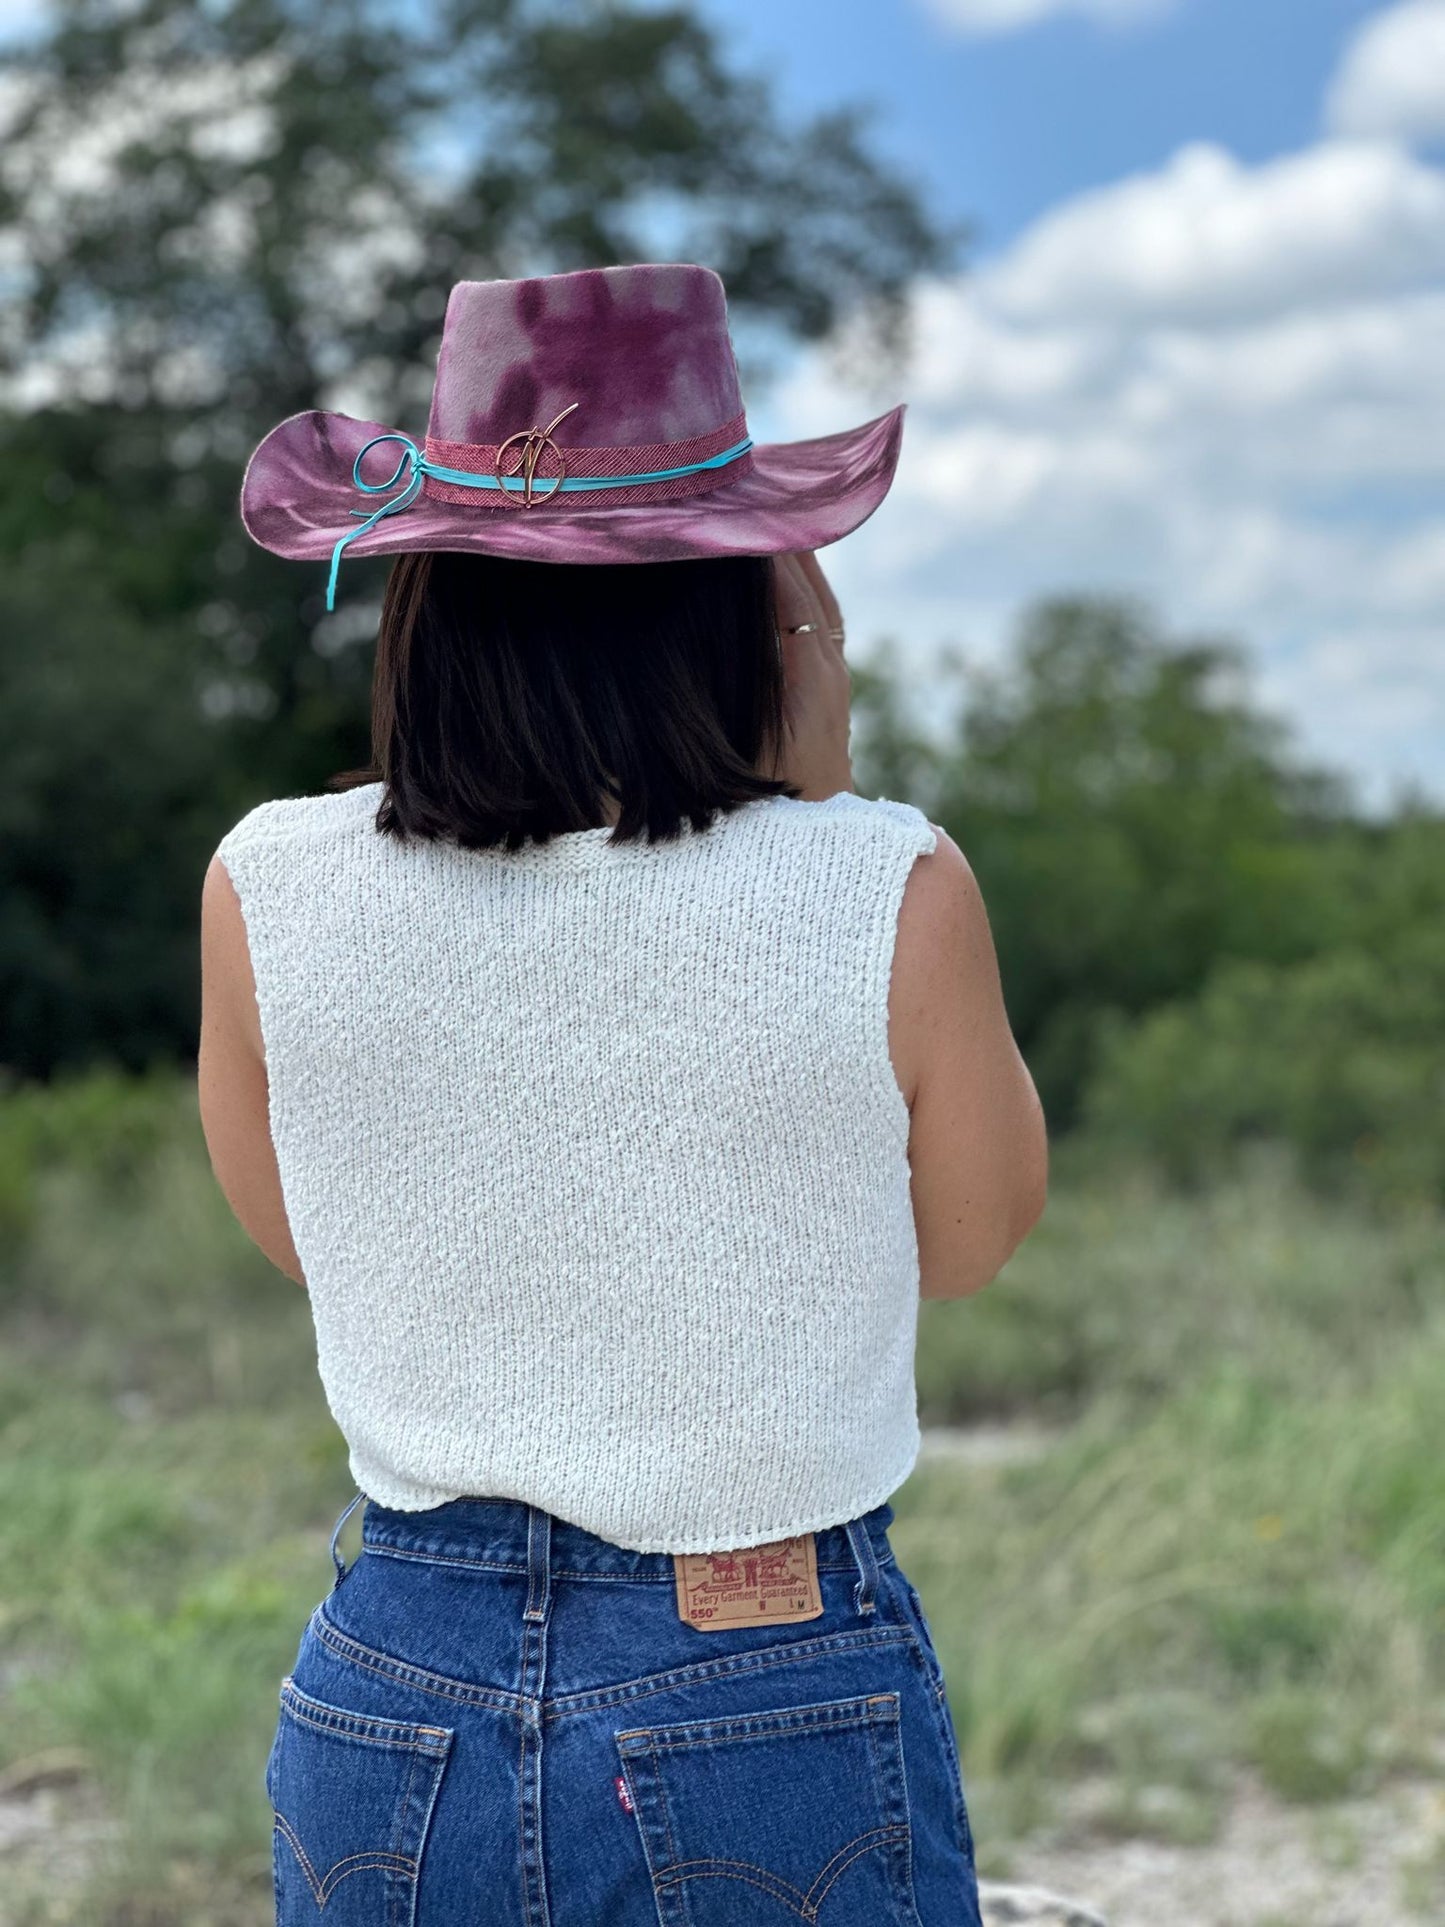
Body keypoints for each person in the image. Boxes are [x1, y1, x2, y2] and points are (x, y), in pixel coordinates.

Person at [198, 262, 1047, 1927]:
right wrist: (816, 800)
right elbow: (969, 1242)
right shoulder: (888, 883)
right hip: (757, 1668)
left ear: (424, 596)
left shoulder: (262, 882)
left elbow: (314, 1241)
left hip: (394, 1676)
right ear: (747, 600)